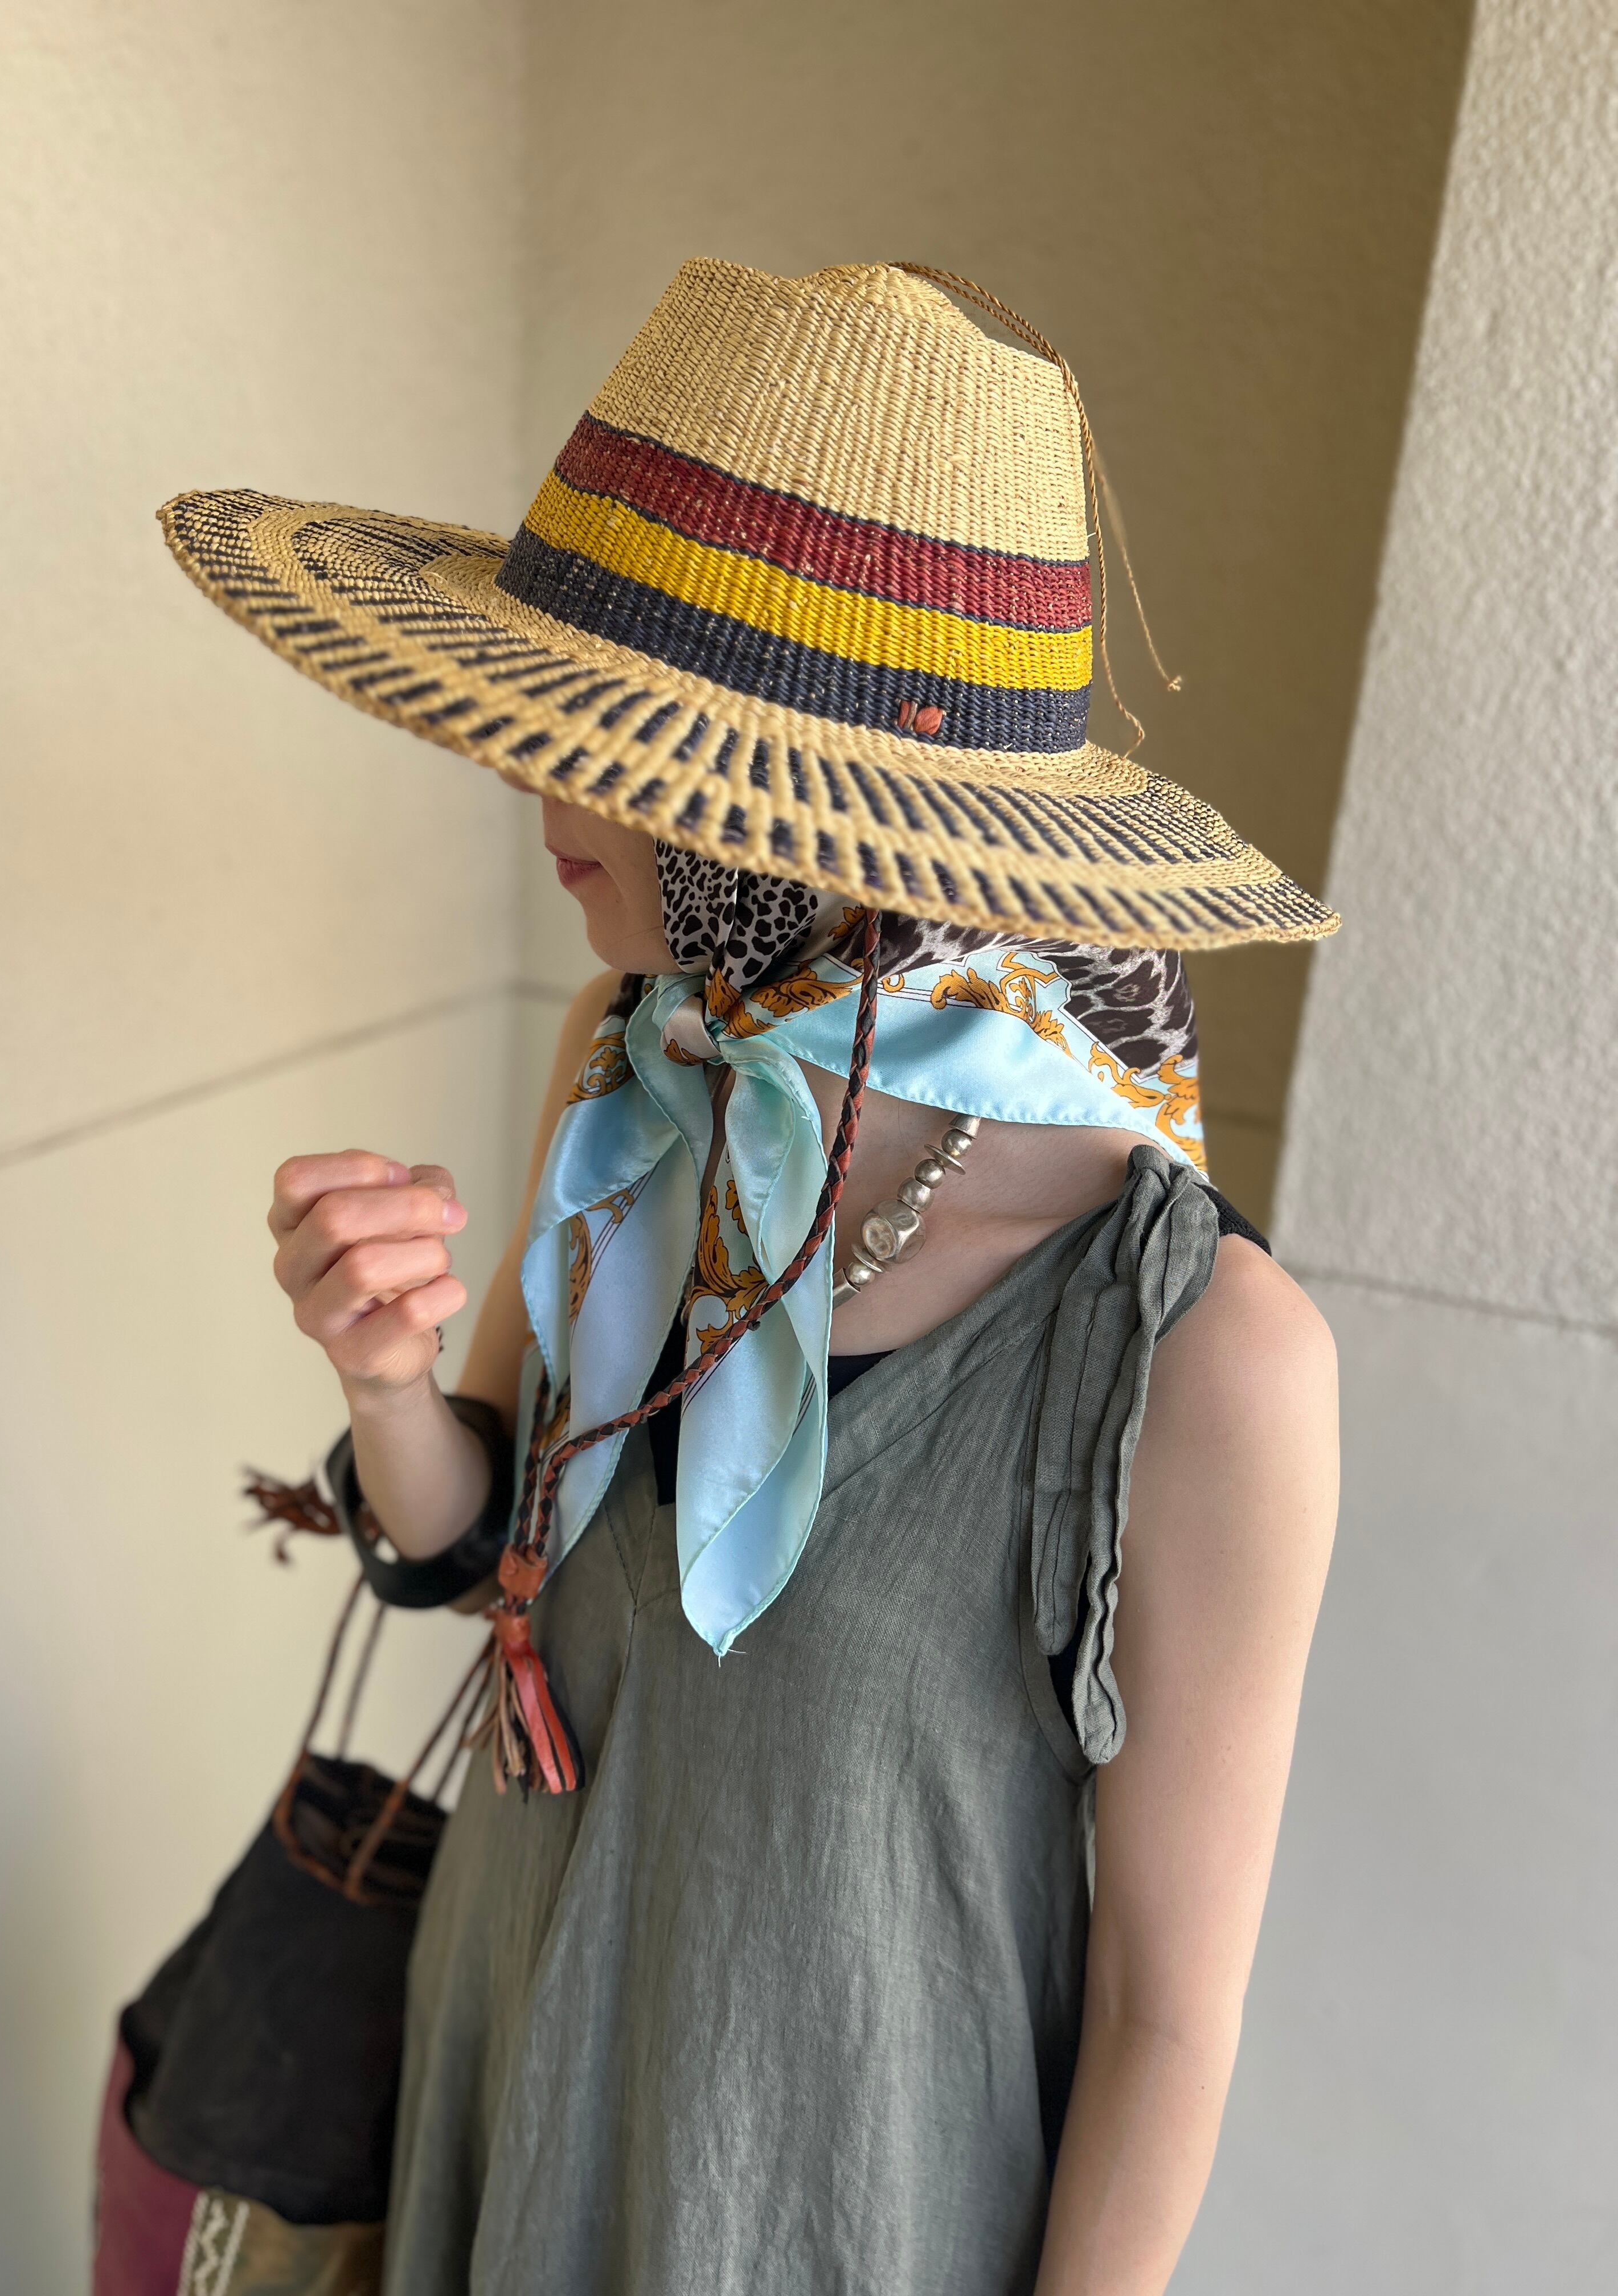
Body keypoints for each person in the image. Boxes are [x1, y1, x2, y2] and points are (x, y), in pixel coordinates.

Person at [163, 259, 1340, 2295]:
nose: (537, 787)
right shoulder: (634, 1068)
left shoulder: (1199, 1356)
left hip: (828, 2212)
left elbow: (1169, 2014)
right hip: (498, 2088)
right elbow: (479, 1556)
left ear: (819, 818)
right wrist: (385, 1379)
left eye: (609, 742)